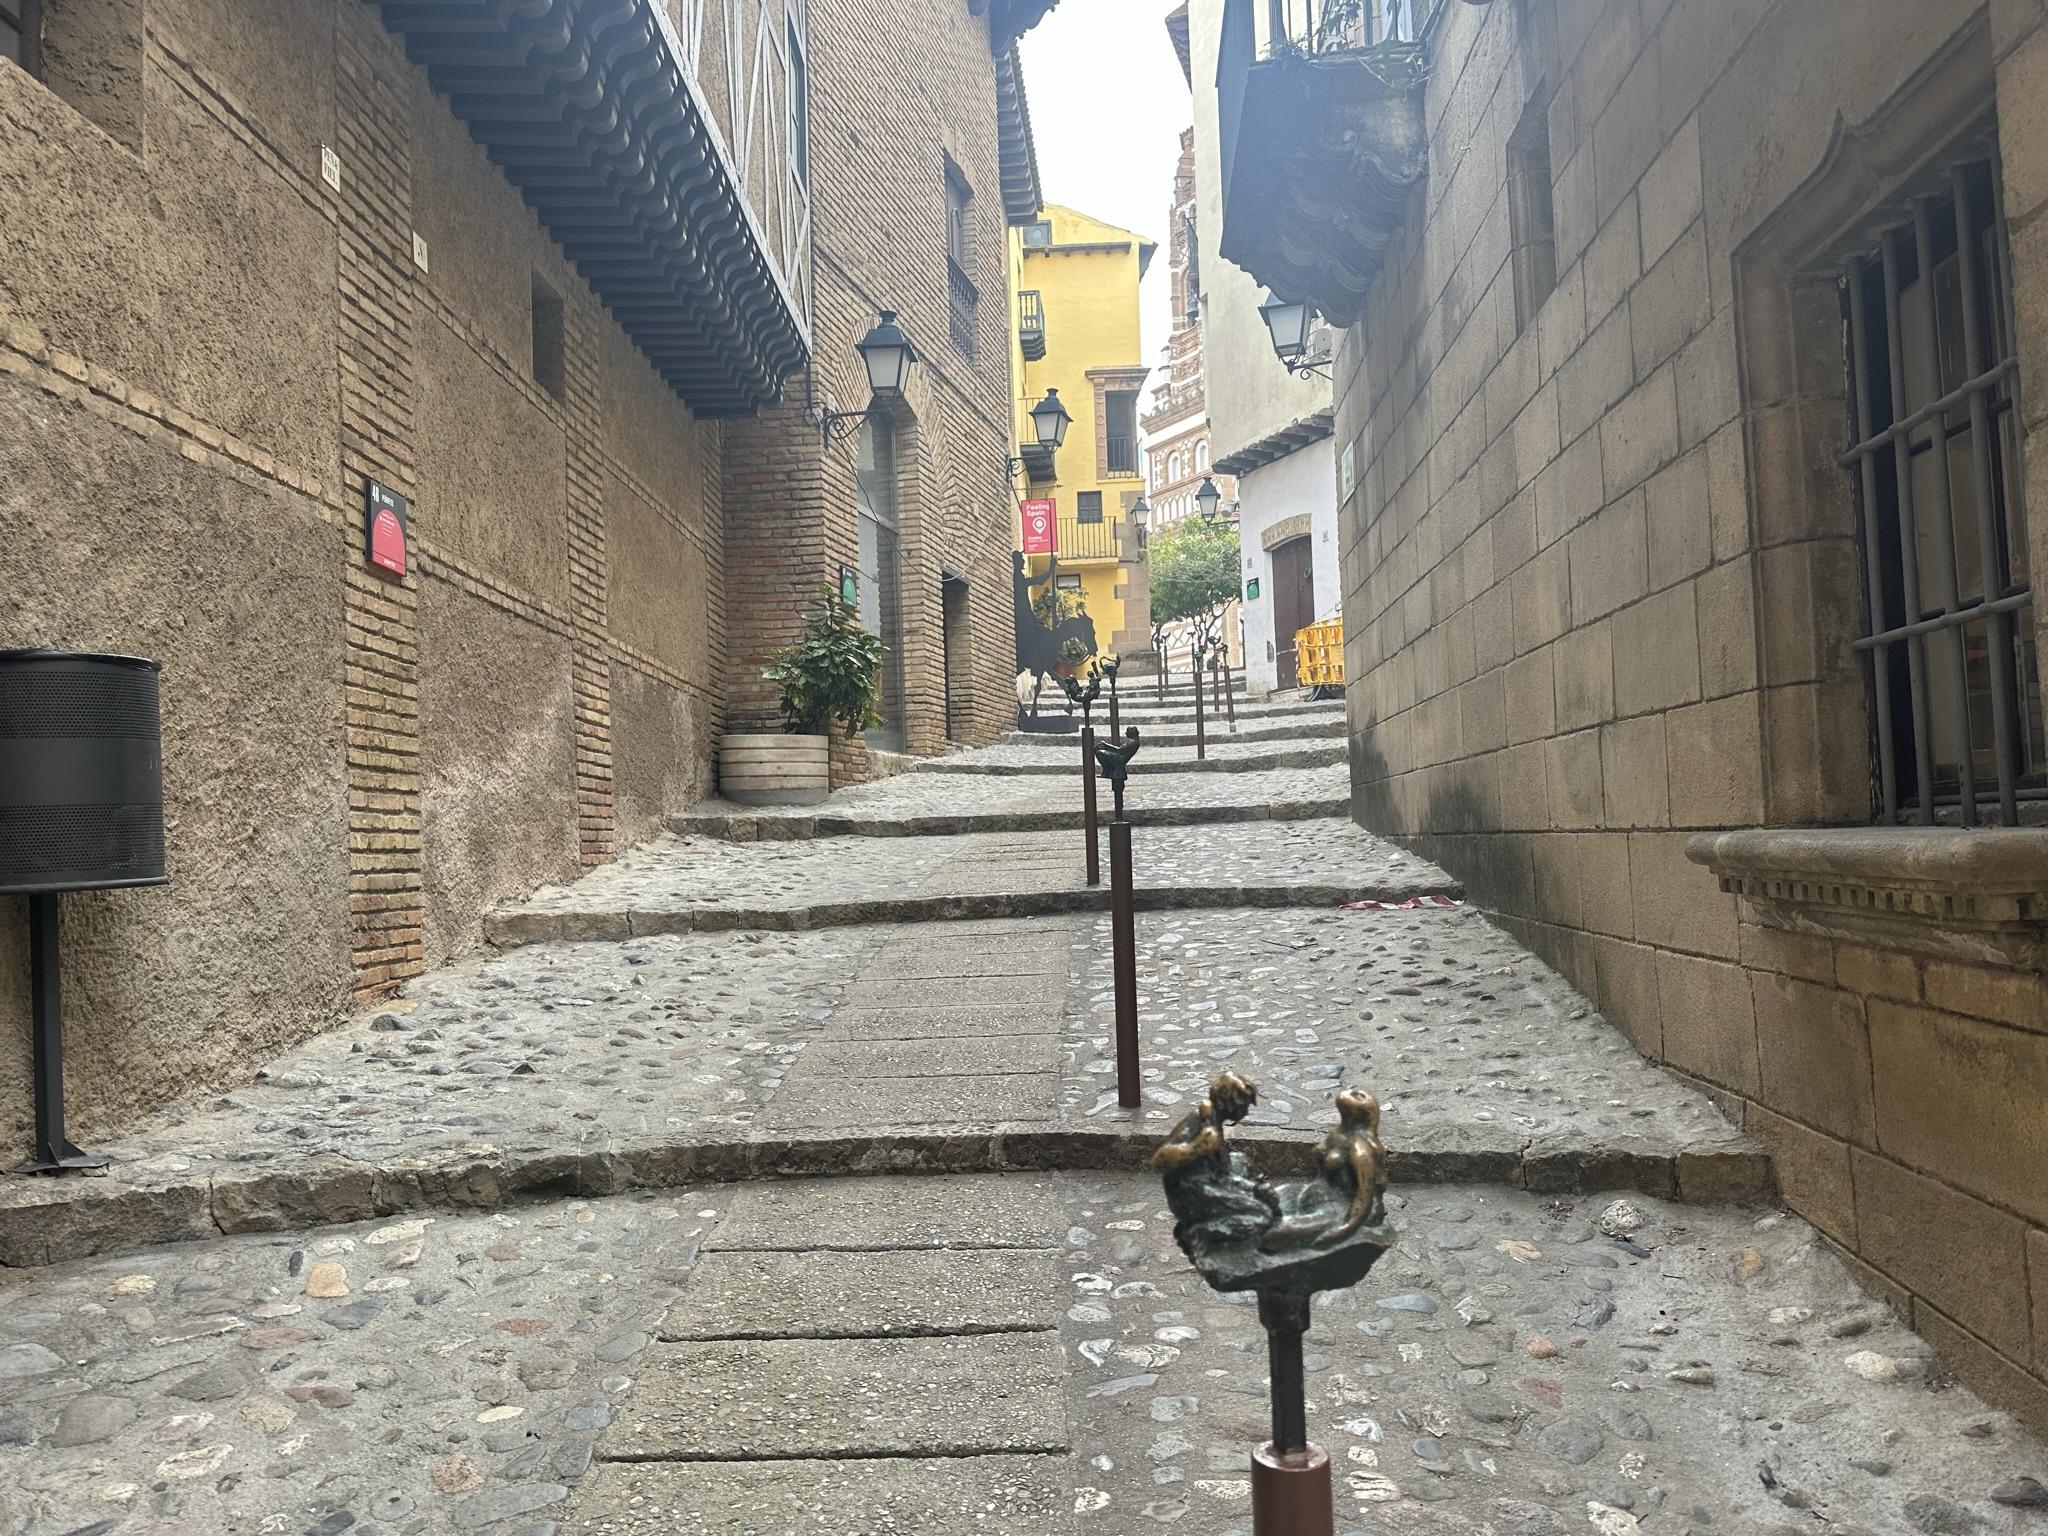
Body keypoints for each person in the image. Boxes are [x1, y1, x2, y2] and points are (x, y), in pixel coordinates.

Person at [1152, 1070, 1279, 1246]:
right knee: (1261, 1217)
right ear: (1230, 1101)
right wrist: (1197, 1147)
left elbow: (1221, 1171)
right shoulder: (1199, 1122)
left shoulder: (1212, 1120)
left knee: (1240, 1161)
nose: (1246, 1112)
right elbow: (1159, 1159)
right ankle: (1198, 1234)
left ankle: (1244, 1202)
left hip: (1210, 1180)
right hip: (1190, 1194)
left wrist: (1252, 1188)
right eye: (1245, 1105)